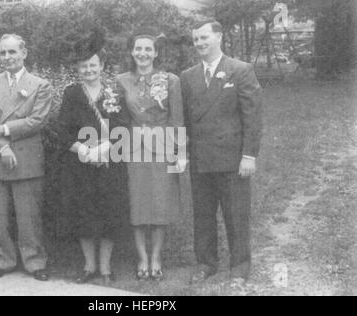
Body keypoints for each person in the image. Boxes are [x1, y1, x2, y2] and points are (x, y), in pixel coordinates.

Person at [180, 19, 263, 284]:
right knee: (203, 216)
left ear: (219, 37)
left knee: (236, 216)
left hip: (232, 160)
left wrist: (249, 155)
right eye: (196, 39)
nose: (200, 43)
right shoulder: (188, 76)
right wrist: (182, 153)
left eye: (204, 37)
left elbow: (252, 117)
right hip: (201, 159)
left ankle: (239, 267)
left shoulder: (240, 70)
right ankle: (206, 263)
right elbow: (184, 120)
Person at [52, 29, 129, 286]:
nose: (88, 70)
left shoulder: (114, 92)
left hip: (110, 163)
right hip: (80, 165)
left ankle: (106, 267)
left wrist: (102, 149)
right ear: (78, 68)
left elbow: (123, 129)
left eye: (93, 65)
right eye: (84, 66)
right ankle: (89, 266)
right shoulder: (72, 93)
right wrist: (84, 150)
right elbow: (62, 132)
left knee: (108, 214)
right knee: (84, 215)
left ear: (102, 66)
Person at [0, 34, 52, 281]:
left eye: (12, 52)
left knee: (29, 216)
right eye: (3, 53)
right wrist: (2, 146)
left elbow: (37, 120)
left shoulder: (41, 85)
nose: (7, 57)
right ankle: (4, 260)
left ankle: (34, 262)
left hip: (27, 157)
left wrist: (4, 129)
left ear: (24, 53)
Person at [116, 29, 187, 281]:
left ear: (156, 53)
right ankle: (141, 257)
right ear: (131, 51)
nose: (142, 53)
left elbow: (177, 119)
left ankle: (156, 256)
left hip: (162, 148)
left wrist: (180, 152)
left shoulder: (171, 80)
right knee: (136, 204)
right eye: (138, 48)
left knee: (159, 204)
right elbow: (116, 118)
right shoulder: (121, 80)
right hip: (132, 148)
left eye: (148, 49)